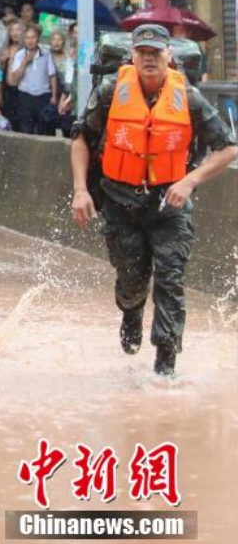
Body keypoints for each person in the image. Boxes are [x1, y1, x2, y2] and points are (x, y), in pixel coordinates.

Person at [71, 24, 237, 377]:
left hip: (169, 206)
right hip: (119, 202)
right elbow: (81, 139)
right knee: (131, 282)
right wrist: (81, 190)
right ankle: (131, 312)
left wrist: (190, 181)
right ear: (132, 56)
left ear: (169, 56)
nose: (149, 58)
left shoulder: (188, 98)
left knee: (171, 279)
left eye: (156, 52)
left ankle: (166, 364)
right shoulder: (110, 91)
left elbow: (228, 148)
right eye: (142, 52)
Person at [7, 24, 57, 135]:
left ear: (38, 38)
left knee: (43, 129)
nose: (30, 40)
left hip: (43, 95)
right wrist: (24, 62)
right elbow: (14, 78)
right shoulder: (19, 55)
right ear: (24, 39)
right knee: (26, 129)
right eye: (27, 37)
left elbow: (52, 76)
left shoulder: (46, 54)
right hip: (25, 95)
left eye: (33, 37)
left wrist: (53, 96)